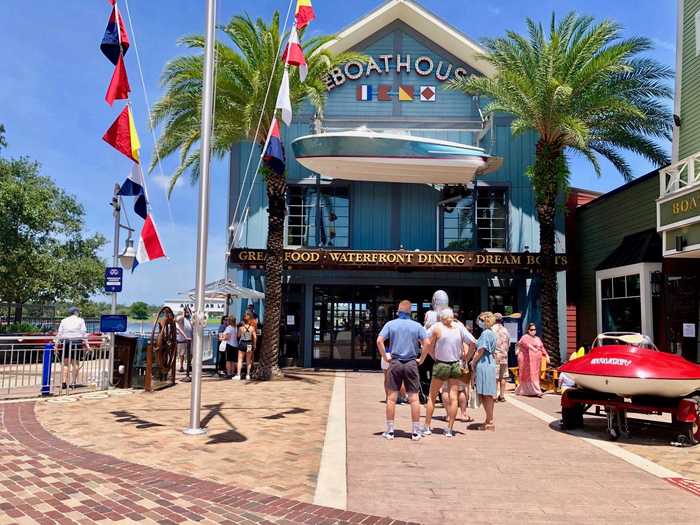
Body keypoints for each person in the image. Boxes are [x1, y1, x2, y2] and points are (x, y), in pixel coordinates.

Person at [377, 300, 431, 441]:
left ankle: (389, 431)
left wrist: (385, 356)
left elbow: (379, 340)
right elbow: (427, 342)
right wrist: (422, 358)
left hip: (395, 362)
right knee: (414, 399)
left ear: (398, 311)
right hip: (411, 362)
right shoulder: (417, 326)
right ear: (410, 312)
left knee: (391, 398)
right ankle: (415, 431)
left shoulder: (391, 324)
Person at [423, 308, 475, 437]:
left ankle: (427, 426)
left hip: (441, 363)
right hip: (455, 364)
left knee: (432, 396)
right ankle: (449, 429)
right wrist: (466, 358)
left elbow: (424, 339)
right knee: (454, 397)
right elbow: (473, 342)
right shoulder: (459, 327)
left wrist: (432, 354)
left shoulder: (437, 327)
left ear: (441, 317)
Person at [470, 312, 498, 431]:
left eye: (480, 319)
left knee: (486, 394)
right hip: (488, 363)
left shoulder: (486, 333)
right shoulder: (491, 332)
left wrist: (473, 362)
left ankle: (490, 420)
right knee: (487, 394)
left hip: (484, 364)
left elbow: (481, 350)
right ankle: (488, 419)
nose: (479, 322)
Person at [55, 306, 91, 390]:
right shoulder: (81, 320)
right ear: (76, 312)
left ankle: (64, 382)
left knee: (66, 364)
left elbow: (59, 334)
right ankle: (73, 382)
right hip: (77, 342)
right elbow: (84, 334)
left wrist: (56, 346)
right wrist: (88, 346)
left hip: (66, 342)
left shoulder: (64, 320)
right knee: (76, 364)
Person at [515, 323, 549, 397]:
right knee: (527, 375)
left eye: (534, 329)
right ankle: (536, 391)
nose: (533, 331)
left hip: (536, 361)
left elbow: (542, 347)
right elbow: (526, 344)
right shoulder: (525, 337)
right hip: (526, 360)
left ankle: (534, 390)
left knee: (535, 375)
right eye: (531, 329)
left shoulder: (537, 338)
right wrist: (533, 349)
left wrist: (547, 355)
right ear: (528, 330)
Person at [492, 313, 511, 402]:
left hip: (495, 356)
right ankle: (502, 396)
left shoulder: (492, 330)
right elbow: (509, 343)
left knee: (495, 377)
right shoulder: (505, 330)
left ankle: (494, 396)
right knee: (503, 377)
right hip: (504, 356)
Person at [236, 313, 256, 380]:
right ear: (249, 320)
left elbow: (238, 336)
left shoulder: (241, 328)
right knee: (248, 360)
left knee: (240, 359)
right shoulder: (252, 328)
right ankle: (248, 375)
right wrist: (254, 344)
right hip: (249, 343)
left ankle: (238, 375)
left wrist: (242, 335)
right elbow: (255, 337)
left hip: (242, 343)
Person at [175, 307, 193, 375]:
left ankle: (189, 365)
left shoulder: (190, 319)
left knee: (191, 353)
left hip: (190, 339)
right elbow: (177, 320)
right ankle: (181, 366)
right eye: (186, 312)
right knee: (181, 354)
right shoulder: (181, 318)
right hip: (182, 339)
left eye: (188, 312)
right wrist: (183, 314)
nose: (187, 313)